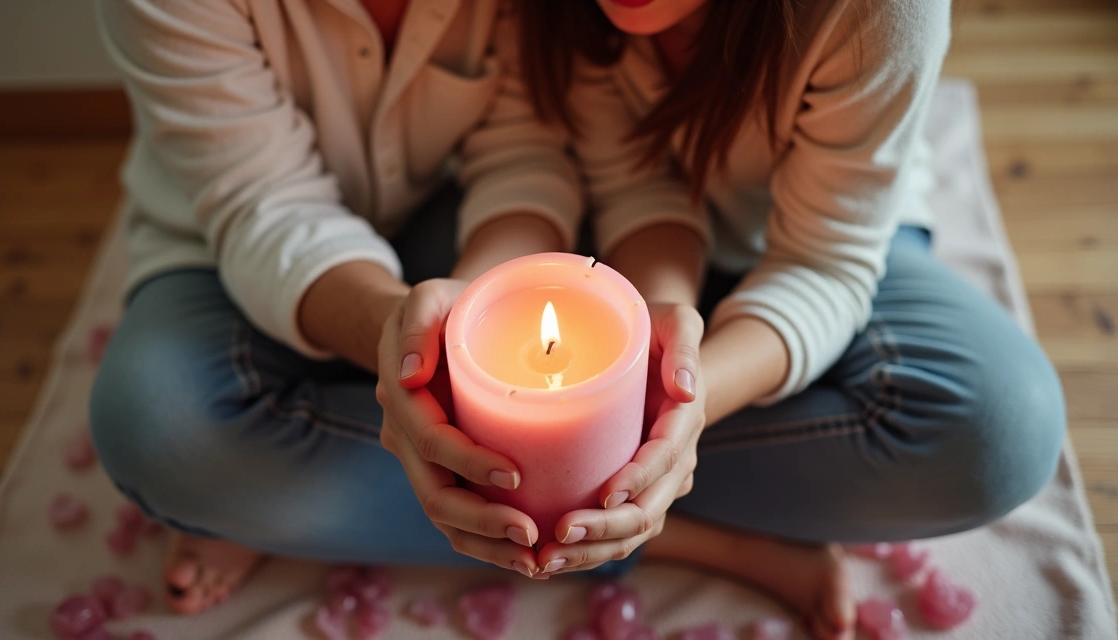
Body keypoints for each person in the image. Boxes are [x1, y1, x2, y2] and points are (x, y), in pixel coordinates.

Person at [392, 0, 1057, 637]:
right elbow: (637, 186)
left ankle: (577, 500)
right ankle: (666, 528)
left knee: (1000, 431)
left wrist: (686, 400)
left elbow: (826, 261)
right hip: (634, 243)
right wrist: (658, 329)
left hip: (820, 238)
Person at [88, 0, 709, 619]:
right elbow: (261, 203)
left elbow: (522, 157)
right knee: (160, 428)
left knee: (598, 342)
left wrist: (463, 318)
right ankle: (662, 536)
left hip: (440, 215)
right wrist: (404, 343)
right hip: (225, 243)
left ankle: (261, 506)